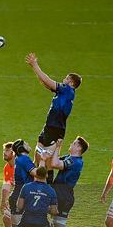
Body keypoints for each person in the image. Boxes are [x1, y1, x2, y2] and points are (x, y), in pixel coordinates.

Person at [25, 52, 81, 183]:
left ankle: (46, 188)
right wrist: (34, 69)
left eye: (67, 78)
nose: (64, 79)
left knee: (47, 164)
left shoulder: (68, 90)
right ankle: (31, 186)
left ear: (71, 82)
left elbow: (47, 80)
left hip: (56, 130)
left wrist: (35, 64)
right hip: (49, 127)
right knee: (38, 159)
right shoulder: (63, 92)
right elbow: (45, 83)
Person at [51, 137, 88, 227]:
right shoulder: (70, 158)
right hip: (61, 196)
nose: (71, 144)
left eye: (74, 143)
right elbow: (53, 161)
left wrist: (57, 147)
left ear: (79, 148)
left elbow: (55, 164)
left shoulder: (75, 161)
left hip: (63, 197)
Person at [1, 142, 15, 227]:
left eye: (7, 150)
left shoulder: (20, 166)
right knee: (6, 218)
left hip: (27, 198)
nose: (4, 152)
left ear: (14, 153)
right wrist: (3, 201)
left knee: (31, 226)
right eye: (4, 150)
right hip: (17, 197)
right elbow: (6, 184)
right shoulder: (7, 167)